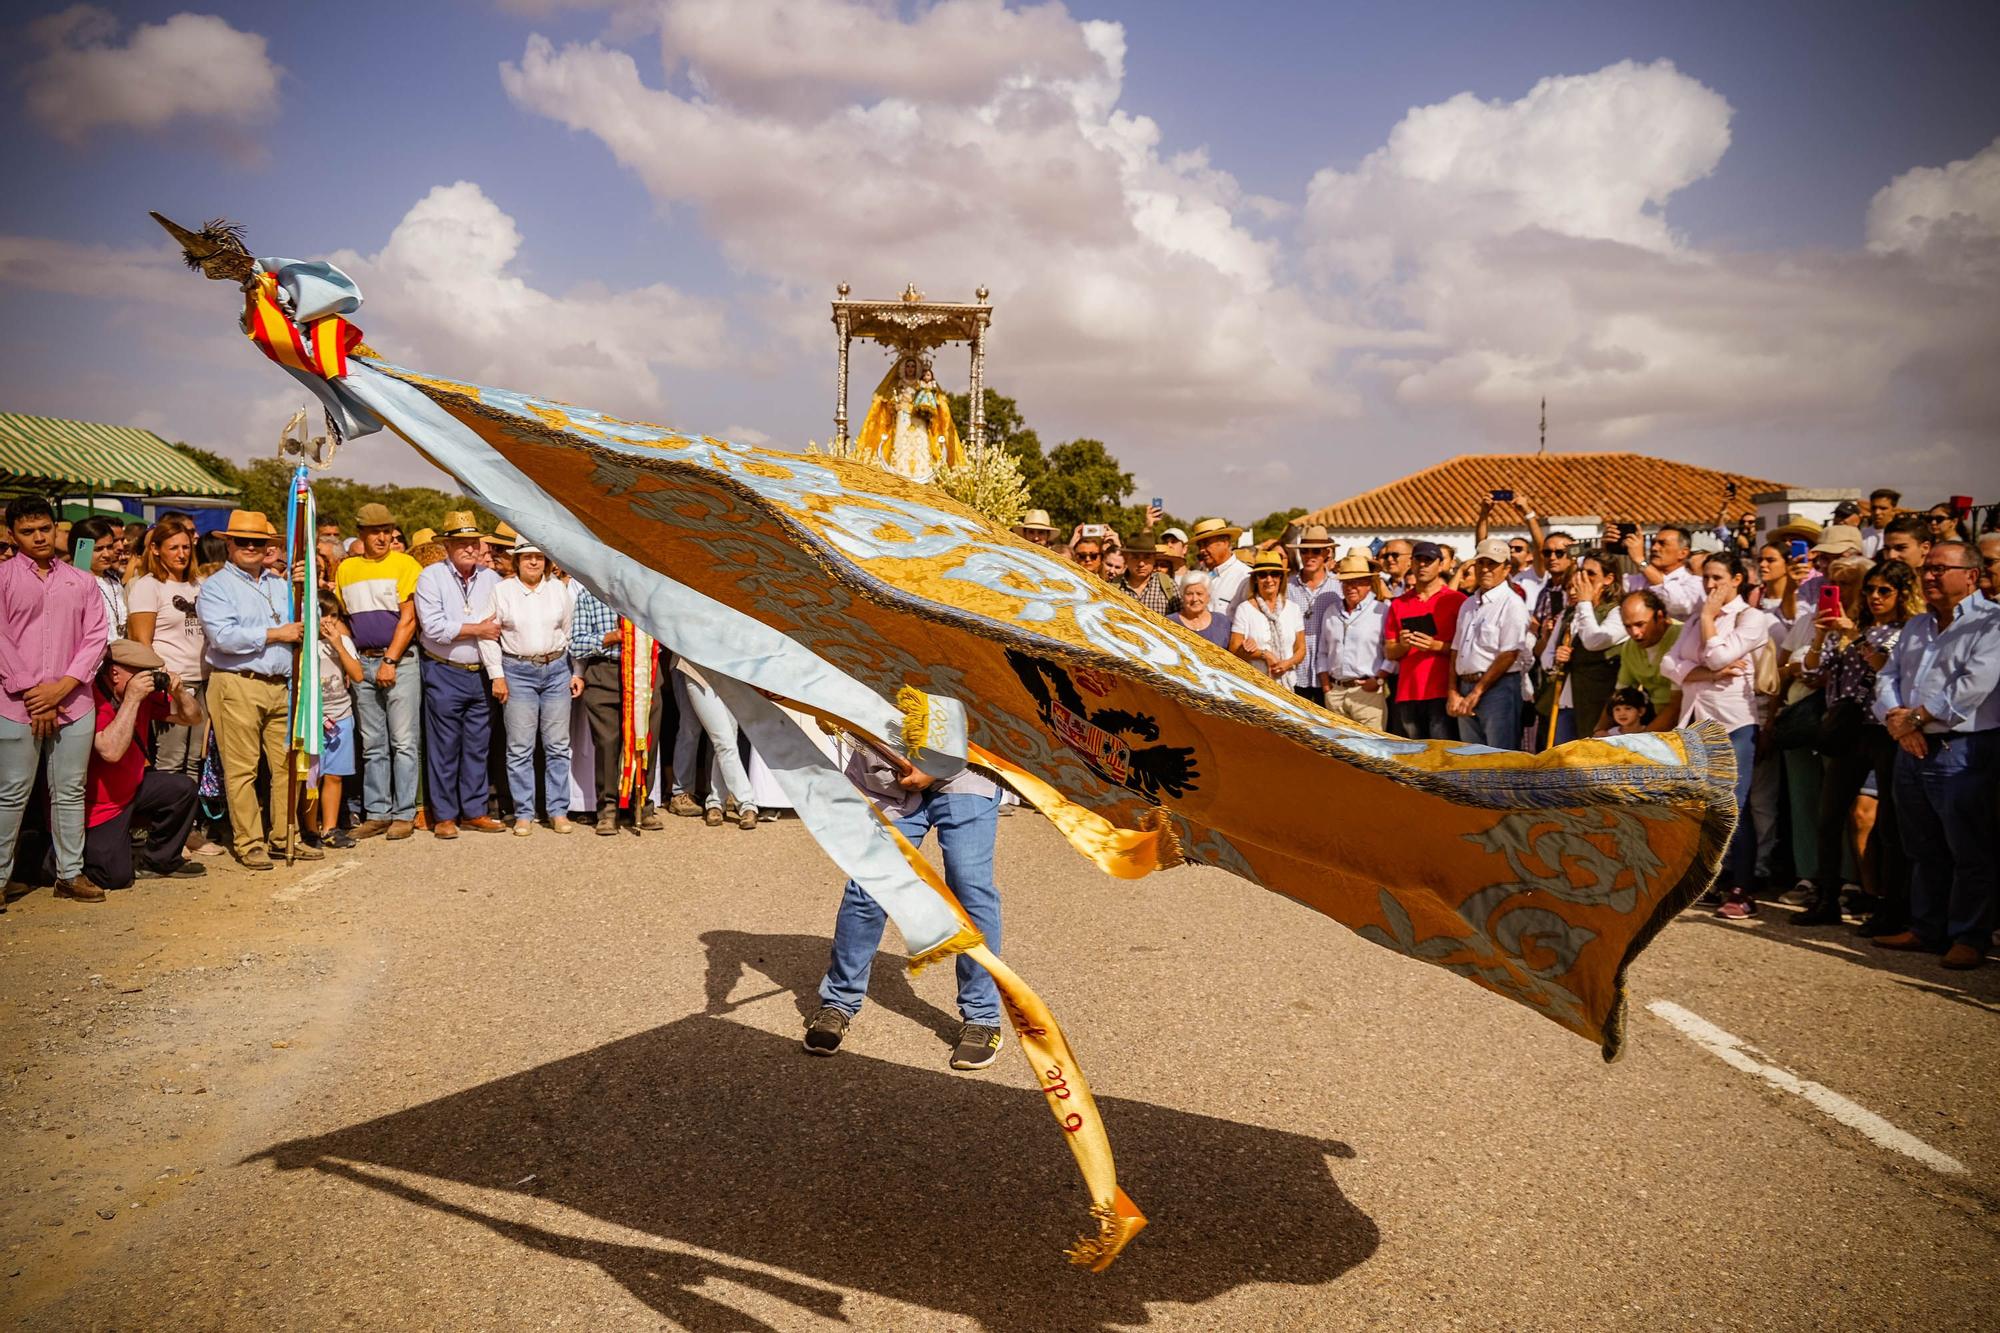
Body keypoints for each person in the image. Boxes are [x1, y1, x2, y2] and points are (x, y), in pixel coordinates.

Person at [804, 736, 1006, 1071]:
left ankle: (982, 1017)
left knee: (970, 885)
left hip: (966, 767)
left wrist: (936, 763)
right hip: (886, 771)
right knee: (869, 888)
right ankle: (838, 1002)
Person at [1870, 542, 1999, 968]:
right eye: (1927, 569)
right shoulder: (1917, 626)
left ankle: (1970, 936)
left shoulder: (1991, 624)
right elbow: (1888, 675)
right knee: (1922, 845)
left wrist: (1916, 719)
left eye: (1940, 569)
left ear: (1972, 576)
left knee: (1968, 847)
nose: (1929, 576)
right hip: (1912, 748)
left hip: (1961, 750)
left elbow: (1973, 687)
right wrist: (1896, 720)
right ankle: (1926, 928)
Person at [1792, 558, 1917, 928]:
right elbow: (1813, 670)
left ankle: (1890, 907)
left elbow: (1887, 669)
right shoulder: (1851, 628)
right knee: (1829, 817)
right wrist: (1820, 635)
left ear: (1901, 595)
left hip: (1881, 731)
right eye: (1870, 589)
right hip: (1846, 732)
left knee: (1889, 825)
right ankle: (1826, 898)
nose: (1875, 597)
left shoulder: (1908, 631)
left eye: (1884, 590)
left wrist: (1855, 636)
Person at [1, 497, 112, 904]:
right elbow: (2, 641)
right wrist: (36, 692)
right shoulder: (3, 579)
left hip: (74, 701)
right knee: (12, 792)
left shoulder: (81, 582)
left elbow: (95, 637)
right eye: (28, 532)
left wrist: (62, 687)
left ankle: (70, 874)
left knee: (70, 789)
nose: (38, 537)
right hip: (16, 704)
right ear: (11, 535)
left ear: (56, 528)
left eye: (44, 528)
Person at [196, 510, 319, 870]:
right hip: (238, 683)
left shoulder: (281, 585)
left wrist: (305, 585)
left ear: (268, 546)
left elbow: (304, 622)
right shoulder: (217, 586)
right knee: (242, 769)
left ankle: (284, 837)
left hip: (281, 685)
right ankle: (249, 842)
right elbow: (222, 637)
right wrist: (274, 634)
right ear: (229, 543)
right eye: (244, 541)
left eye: (259, 542)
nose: (251, 547)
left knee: (285, 768)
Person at [1661, 551, 1767, 919]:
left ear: (1737, 579)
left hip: (1734, 720)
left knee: (1733, 805)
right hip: (1696, 720)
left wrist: (1708, 619)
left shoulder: (1752, 618)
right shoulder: (1694, 618)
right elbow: (1669, 665)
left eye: (1718, 578)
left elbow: (1720, 655)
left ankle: (1742, 886)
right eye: (1706, 577)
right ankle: (1714, 879)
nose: (1710, 585)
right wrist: (1707, 674)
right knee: (1701, 805)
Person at [62, 639, 206, 888]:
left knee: (182, 788)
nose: (148, 680)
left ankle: (161, 861)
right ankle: (50, 857)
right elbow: (111, 752)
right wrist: (131, 699)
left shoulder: (143, 696)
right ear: (114, 673)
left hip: (133, 788)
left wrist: (179, 693)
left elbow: (193, 718)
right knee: (115, 877)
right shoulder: (90, 699)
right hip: (99, 805)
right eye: (141, 673)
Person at [413, 512, 507, 838]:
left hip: (480, 672)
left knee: (477, 746)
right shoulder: (431, 577)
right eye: (462, 542)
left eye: (473, 542)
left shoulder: (491, 579)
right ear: (448, 545)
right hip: (444, 671)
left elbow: (501, 624)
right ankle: (444, 815)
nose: (469, 548)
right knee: (444, 746)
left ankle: (475, 810)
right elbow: (435, 628)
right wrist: (477, 629)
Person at [336, 502, 423, 841]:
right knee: (373, 744)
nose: (383, 537)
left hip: (399, 662)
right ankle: (377, 812)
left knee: (403, 742)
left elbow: (409, 618)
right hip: (363, 659)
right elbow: (345, 621)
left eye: (387, 530)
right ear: (361, 534)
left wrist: (389, 660)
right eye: (375, 531)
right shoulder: (346, 570)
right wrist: (350, 661)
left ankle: (403, 813)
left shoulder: (406, 563)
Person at [491, 538, 579, 835]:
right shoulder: (502, 591)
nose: (533, 562)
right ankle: (524, 812)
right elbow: (489, 635)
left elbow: (568, 632)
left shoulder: (558, 589)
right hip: (517, 670)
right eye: (527, 557)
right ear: (516, 561)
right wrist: (496, 675)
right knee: (519, 746)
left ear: (546, 561)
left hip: (555, 668)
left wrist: (575, 671)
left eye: (539, 557)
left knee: (557, 745)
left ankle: (557, 810)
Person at [570, 582, 667, 834]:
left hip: (644, 671)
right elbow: (577, 643)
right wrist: (611, 637)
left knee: (645, 739)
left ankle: (642, 805)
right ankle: (608, 810)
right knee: (606, 743)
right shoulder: (588, 595)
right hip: (605, 671)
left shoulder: (649, 595)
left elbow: (667, 634)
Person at [127, 516, 207, 785]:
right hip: (171, 681)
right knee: (171, 758)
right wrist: (161, 679)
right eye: (173, 548)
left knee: (197, 758)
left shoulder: (200, 583)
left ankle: (193, 821)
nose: (181, 554)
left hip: (205, 679)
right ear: (156, 549)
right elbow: (141, 641)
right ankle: (167, 824)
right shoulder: (148, 586)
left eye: (186, 547)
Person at [1448, 539, 1532, 750]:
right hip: (1467, 686)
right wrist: (1453, 691)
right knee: (1471, 759)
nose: (1485, 569)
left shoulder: (1512, 604)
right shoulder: (1468, 604)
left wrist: (1476, 692)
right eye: (1481, 563)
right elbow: (1456, 650)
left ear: (1506, 569)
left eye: (1492, 564)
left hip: (1498, 688)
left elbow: (1509, 654)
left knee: (1500, 758)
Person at [1383, 541, 1467, 741]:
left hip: (1442, 691)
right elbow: (1389, 651)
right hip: (1407, 692)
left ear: (1440, 565)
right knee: (1412, 760)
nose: (1422, 565)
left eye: (1428, 560)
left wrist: (1434, 645)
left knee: (1443, 759)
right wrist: (1403, 645)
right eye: (1418, 560)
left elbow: (1465, 650)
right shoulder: (1398, 604)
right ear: (1411, 563)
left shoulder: (1457, 601)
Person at [304, 594, 364, 850]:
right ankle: (309, 827)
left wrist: (339, 646)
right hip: (313, 717)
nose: (327, 621)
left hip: (340, 716)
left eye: (333, 616)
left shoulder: (343, 642)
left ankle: (330, 827)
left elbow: (358, 675)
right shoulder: (304, 643)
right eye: (322, 615)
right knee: (311, 777)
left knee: (334, 776)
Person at [1313, 552, 1390, 728]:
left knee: (1373, 749)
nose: (1351, 587)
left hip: (1367, 692)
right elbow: (1323, 652)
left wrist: (1379, 680)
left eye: (1357, 582)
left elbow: (1391, 654)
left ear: (1368, 583)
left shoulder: (1381, 611)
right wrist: (1326, 685)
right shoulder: (1331, 612)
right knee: (1338, 750)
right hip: (1336, 691)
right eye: (1346, 582)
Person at [1598, 591, 1682, 736]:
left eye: (1640, 624)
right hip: (1660, 729)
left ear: (1660, 617)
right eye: (1628, 626)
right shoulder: (1630, 648)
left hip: (1695, 725)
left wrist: (1642, 741)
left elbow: (1677, 706)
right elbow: (1619, 695)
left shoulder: (1682, 637)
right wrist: (1598, 731)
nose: (1634, 633)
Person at [1230, 551, 1307, 689]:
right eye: (1263, 574)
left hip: (1287, 685)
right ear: (1255, 579)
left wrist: (1287, 663)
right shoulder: (1245, 610)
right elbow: (1234, 650)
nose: (1269, 579)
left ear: (1281, 578)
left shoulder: (1293, 609)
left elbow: (1301, 649)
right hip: (1257, 687)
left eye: (1274, 574)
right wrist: (1264, 654)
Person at [1284, 526, 1337, 703]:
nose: (1309, 555)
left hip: (1328, 670)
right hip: (1295, 668)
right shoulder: (1287, 586)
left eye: (1316, 551)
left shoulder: (1338, 588)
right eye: (1304, 551)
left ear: (1326, 554)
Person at [1621, 525, 1704, 621]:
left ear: (1683, 553)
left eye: (1662, 544)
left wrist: (1641, 561)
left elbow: (1680, 604)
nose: (1654, 548)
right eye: (1653, 543)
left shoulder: (1695, 583)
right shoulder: (1637, 580)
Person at [72, 515, 130, 637]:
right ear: (83, 549)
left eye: (109, 547)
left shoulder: (114, 580)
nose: (107, 554)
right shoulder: (73, 583)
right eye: (98, 549)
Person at [1189, 518, 1248, 611]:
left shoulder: (1244, 577)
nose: (1201, 550)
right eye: (1199, 546)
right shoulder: (1199, 576)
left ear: (1225, 543)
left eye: (1206, 544)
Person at [1118, 532, 1177, 615]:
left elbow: (1182, 621)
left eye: (1147, 557)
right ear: (1126, 558)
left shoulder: (1168, 585)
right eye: (1135, 557)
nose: (1141, 564)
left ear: (1154, 559)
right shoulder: (1113, 585)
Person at [1171, 570, 1231, 648]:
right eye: (1189, 594)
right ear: (1182, 596)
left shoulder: (1222, 622)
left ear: (1208, 596)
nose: (1195, 599)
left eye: (1199, 594)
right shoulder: (1171, 622)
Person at [1862, 488, 1901, 556]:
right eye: (1874, 508)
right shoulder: (1862, 535)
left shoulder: (1901, 536)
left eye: (1883, 508)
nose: (1877, 512)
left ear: (1894, 511)